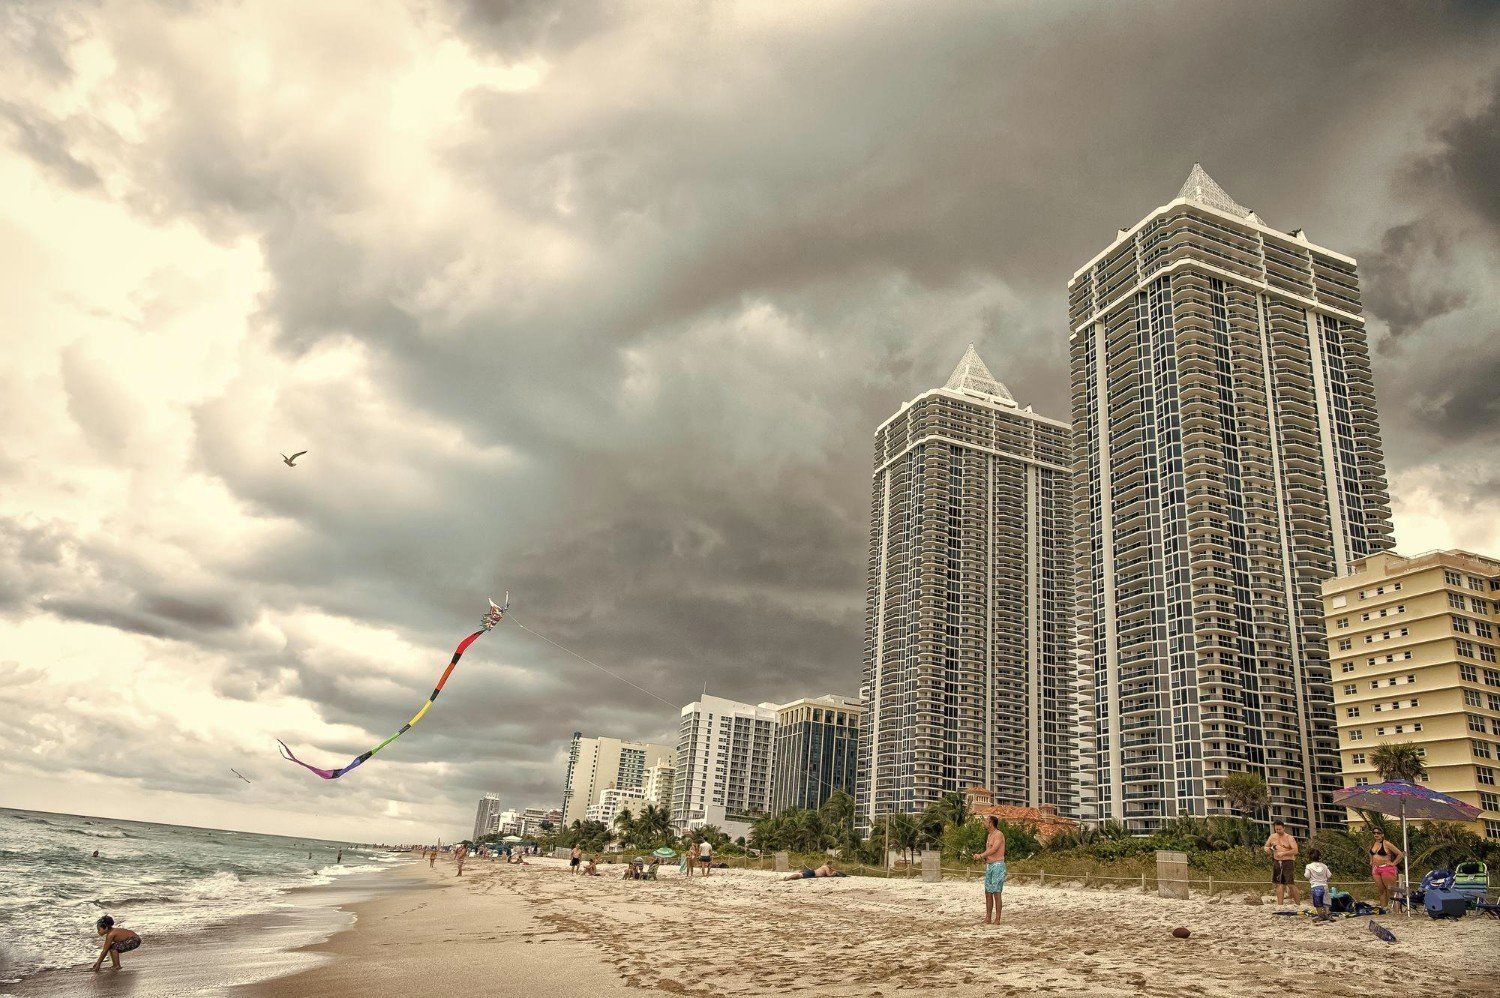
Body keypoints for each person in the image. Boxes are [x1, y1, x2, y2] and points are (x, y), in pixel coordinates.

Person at [973, 814, 1007, 924]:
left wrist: (981, 855)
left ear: (991, 823)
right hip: (990, 865)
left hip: (998, 865)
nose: (984, 822)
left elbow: (994, 849)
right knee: (988, 892)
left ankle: (997, 919)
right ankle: (988, 917)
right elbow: (989, 851)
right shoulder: (989, 835)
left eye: (986, 820)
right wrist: (984, 858)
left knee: (997, 892)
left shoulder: (999, 834)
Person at [1263, 821, 1300, 907]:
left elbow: (1295, 850)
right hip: (1277, 861)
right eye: (1276, 829)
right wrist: (1267, 849)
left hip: (1288, 861)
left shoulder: (1289, 837)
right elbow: (1266, 846)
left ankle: (1298, 904)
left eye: (1280, 829)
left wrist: (1284, 853)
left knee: (1290, 883)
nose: (1278, 831)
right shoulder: (1272, 837)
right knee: (1278, 883)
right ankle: (1280, 905)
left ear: (1283, 828)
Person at [1368, 827, 1403, 910]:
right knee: (1381, 890)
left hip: (1386, 868)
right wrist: (1371, 861)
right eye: (1374, 833)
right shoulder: (1372, 844)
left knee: (1391, 890)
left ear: (1382, 835)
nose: (1376, 834)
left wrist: (1393, 863)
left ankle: (1397, 911)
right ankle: (1384, 909)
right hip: (1376, 869)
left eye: (1378, 833)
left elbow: (1400, 854)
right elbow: (1370, 853)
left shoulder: (1386, 843)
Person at [1304, 848, 1332, 919]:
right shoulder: (1324, 866)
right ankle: (1328, 914)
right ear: (1319, 856)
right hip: (1325, 886)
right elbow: (1329, 875)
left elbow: (1307, 876)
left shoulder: (1309, 866)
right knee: (1326, 902)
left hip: (1316, 886)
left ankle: (1321, 915)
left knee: (1318, 903)